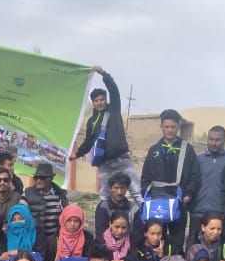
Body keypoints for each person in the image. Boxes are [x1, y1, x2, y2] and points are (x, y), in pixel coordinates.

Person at [69, 65, 141, 203]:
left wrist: (103, 73)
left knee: (136, 192)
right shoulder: (91, 121)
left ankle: (144, 222)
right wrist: (76, 154)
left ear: (106, 100)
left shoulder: (113, 110)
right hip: (105, 164)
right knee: (104, 196)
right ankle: (105, 222)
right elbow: (88, 141)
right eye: (96, 101)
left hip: (123, 161)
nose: (99, 102)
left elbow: (114, 90)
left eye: (102, 99)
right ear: (93, 103)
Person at [141, 109, 201, 248]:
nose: (170, 130)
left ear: (178, 127)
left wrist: (188, 195)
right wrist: (148, 195)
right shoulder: (154, 149)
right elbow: (145, 177)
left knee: (176, 242)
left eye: (173, 127)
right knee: (155, 241)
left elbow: (195, 176)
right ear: (161, 126)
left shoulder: (188, 150)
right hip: (157, 203)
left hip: (179, 202)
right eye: (166, 127)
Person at [189, 126, 225, 236]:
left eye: (218, 140)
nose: (214, 143)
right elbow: (190, 183)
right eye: (211, 139)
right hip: (198, 213)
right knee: (194, 249)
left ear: (224, 140)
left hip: (222, 214)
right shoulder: (197, 159)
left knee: (221, 249)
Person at [22, 162, 68, 239]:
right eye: (36, 178)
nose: (38, 181)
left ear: (51, 179)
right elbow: (21, 215)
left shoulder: (60, 195)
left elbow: (66, 216)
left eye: (42, 178)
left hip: (54, 238)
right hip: (34, 239)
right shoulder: (27, 194)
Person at [95, 172, 140, 241]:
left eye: (122, 188)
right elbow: (101, 233)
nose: (119, 192)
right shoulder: (103, 207)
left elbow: (137, 234)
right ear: (110, 189)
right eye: (116, 188)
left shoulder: (134, 208)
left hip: (129, 247)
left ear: (127, 189)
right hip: (105, 247)